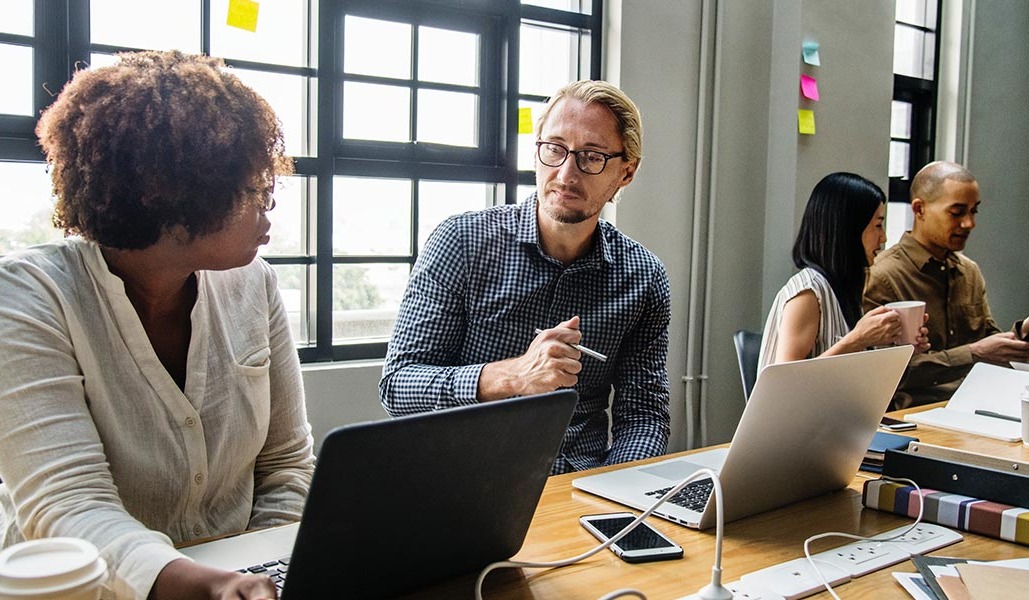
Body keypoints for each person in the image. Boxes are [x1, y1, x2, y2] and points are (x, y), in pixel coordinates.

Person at [0, 51, 314, 599]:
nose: (268, 213)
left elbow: (286, 463)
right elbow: (68, 504)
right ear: (172, 195)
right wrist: (208, 585)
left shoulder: (254, 283)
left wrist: (262, 570)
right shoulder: (29, 296)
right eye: (253, 193)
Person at [379, 80, 671, 474]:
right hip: (464, 482)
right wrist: (513, 375)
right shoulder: (462, 243)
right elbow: (399, 386)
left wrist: (614, 495)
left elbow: (644, 416)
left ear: (626, 172)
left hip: (578, 486)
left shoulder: (644, 277)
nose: (566, 173)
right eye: (554, 149)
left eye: (592, 156)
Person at [863, 160, 1029, 408]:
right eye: (957, 212)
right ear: (919, 210)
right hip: (914, 415)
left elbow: (989, 342)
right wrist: (973, 353)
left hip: (978, 405)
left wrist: (1021, 334)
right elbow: (883, 372)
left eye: (974, 211)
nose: (969, 223)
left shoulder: (968, 271)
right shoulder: (882, 277)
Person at [758, 172, 929, 370]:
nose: (883, 238)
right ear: (848, 230)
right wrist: (857, 340)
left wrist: (902, 348)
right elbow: (783, 383)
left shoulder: (844, 285)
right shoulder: (808, 293)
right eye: (878, 225)